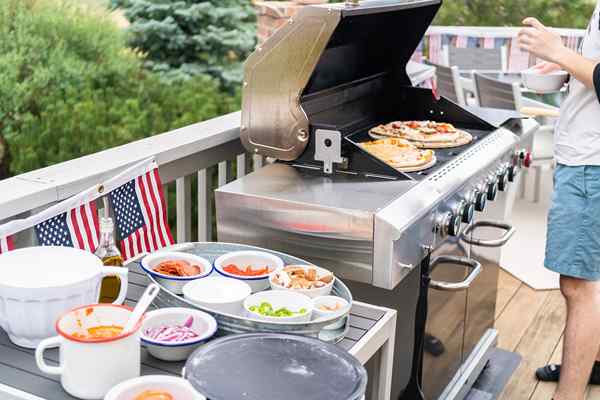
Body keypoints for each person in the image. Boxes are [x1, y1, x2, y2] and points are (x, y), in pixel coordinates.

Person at [517, 7, 600, 400]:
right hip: (586, 155)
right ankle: (591, 364)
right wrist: (567, 68)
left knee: (578, 286)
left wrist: (558, 51)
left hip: (591, 161)